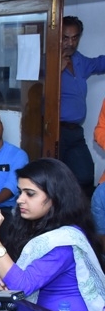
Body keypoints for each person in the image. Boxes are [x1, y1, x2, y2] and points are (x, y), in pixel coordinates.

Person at [0, 159, 105, 311]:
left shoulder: (64, 241)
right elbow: (20, 272)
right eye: (20, 192)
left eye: (30, 194)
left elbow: (21, 287)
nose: (20, 200)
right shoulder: (32, 226)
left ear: (55, 196)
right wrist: (1, 278)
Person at [59, 16, 105, 190]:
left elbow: (100, 63)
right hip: (54, 131)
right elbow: (34, 93)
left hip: (75, 131)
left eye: (74, 38)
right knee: (53, 179)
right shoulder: (47, 61)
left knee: (85, 175)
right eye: (65, 38)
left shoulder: (79, 61)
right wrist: (56, 70)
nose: (70, 43)